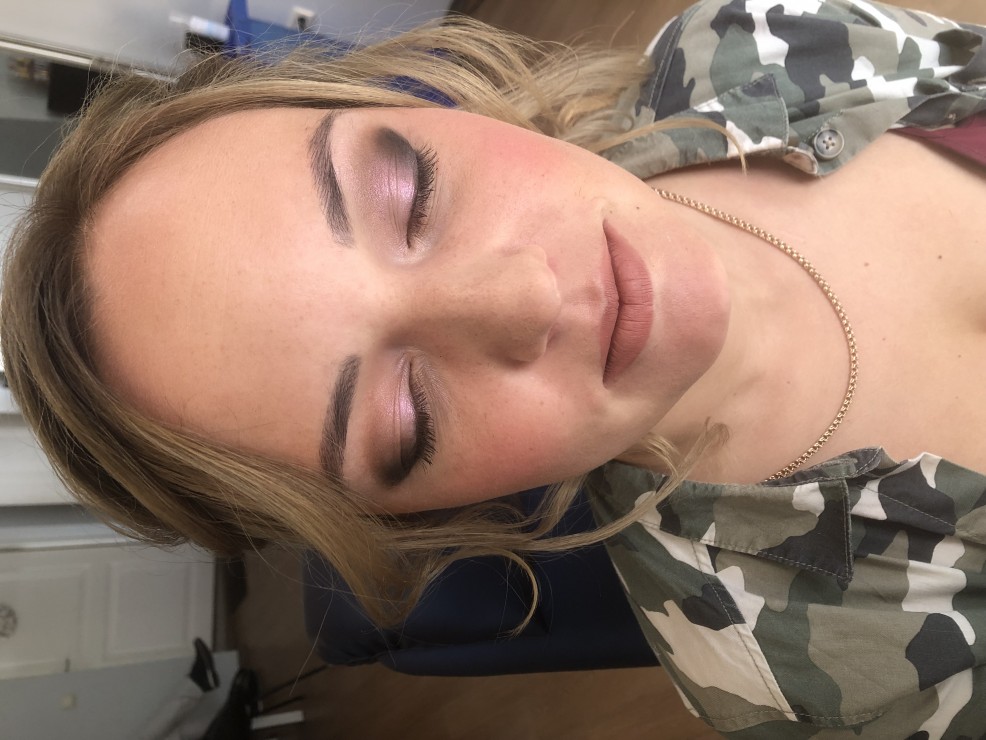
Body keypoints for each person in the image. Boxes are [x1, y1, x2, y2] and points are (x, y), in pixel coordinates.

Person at [2, 0, 985, 735]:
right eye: (407, 417)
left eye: (410, 188)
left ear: (419, 98)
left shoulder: (741, 44)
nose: (522, 297)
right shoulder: (834, 676)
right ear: (426, 513)